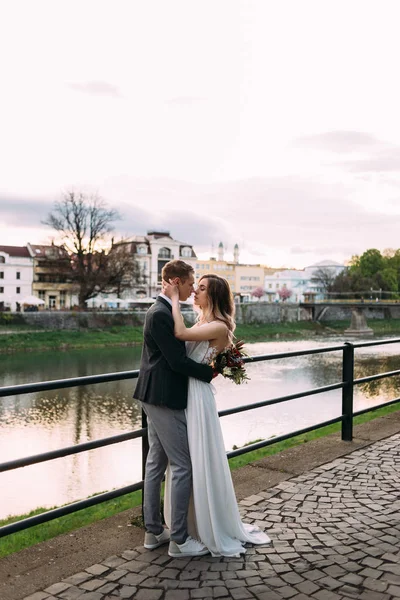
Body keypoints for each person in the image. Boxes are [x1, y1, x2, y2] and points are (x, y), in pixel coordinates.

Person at [163, 273, 270, 557]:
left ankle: (202, 527)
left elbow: (180, 335)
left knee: (196, 457)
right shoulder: (202, 322)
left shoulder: (218, 326)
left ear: (214, 296)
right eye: (194, 288)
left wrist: (174, 300)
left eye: (201, 289)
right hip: (188, 391)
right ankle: (186, 525)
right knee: (186, 459)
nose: (195, 293)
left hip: (197, 397)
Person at [133, 260, 214, 558]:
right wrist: (211, 373)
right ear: (177, 281)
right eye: (191, 283)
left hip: (155, 394)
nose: (193, 288)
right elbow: (177, 362)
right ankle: (179, 539)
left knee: (156, 463)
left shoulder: (164, 311)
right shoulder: (160, 314)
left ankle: (154, 531)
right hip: (163, 396)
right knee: (182, 465)